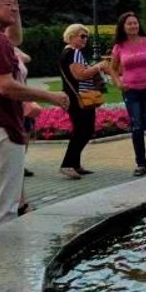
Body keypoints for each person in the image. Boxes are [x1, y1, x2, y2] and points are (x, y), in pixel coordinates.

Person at [0, 0, 68, 234]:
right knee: (1, 213)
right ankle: (2, 270)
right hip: (1, 128)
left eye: (15, 3)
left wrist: (14, 2)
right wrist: (50, 96)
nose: (14, 8)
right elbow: (5, 87)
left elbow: (16, 38)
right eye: (8, 4)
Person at [109, 12, 146, 176]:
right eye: (129, 24)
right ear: (123, 27)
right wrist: (118, 83)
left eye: (135, 23)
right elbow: (112, 67)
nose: (133, 26)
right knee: (137, 127)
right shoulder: (119, 46)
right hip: (131, 91)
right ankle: (141, 164)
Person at [58, 24, 110, 179]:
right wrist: (98, 67)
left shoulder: (67, 53)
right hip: (80, 98)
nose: (85, 39)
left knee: (82, 130)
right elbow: (80, 75)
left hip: (75, 97)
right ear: (72, 36)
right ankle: (67, 164)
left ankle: (75, 164)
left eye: (86, 36)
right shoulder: (74, 52)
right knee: (83, 131)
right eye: (82, 36)